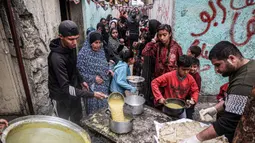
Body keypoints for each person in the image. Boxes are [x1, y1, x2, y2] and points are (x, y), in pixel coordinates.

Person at [181, 41, 255, 143]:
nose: (216, 70)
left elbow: (228, 123)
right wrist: (215, 108)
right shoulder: (246, 65)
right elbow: (233, 99)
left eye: (218, 65)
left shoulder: (242, 83)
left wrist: (197, 138)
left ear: (232, 58)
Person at [48, 20, 107, 124]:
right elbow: (66, 88)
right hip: (61, 96)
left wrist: (81, 80)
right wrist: (91, 94)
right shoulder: (57, 58)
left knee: (77, 118)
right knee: (63, 123)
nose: (75, 43)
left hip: (74, 90)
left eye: (76, 39)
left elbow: (74, 67)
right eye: (71, 39)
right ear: (61, 36)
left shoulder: (70, 47)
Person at [77, 32, 112, 115]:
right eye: (96, 42)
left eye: (100, 43)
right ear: (90, 42)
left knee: (104, 111)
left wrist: (108, 69)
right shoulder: (83, 54)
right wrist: (94, 78)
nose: (98, 45)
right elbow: (79, 73)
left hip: (103, 86)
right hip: (91, 88)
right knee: (93, 113)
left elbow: (104, 65)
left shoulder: (101, 52)